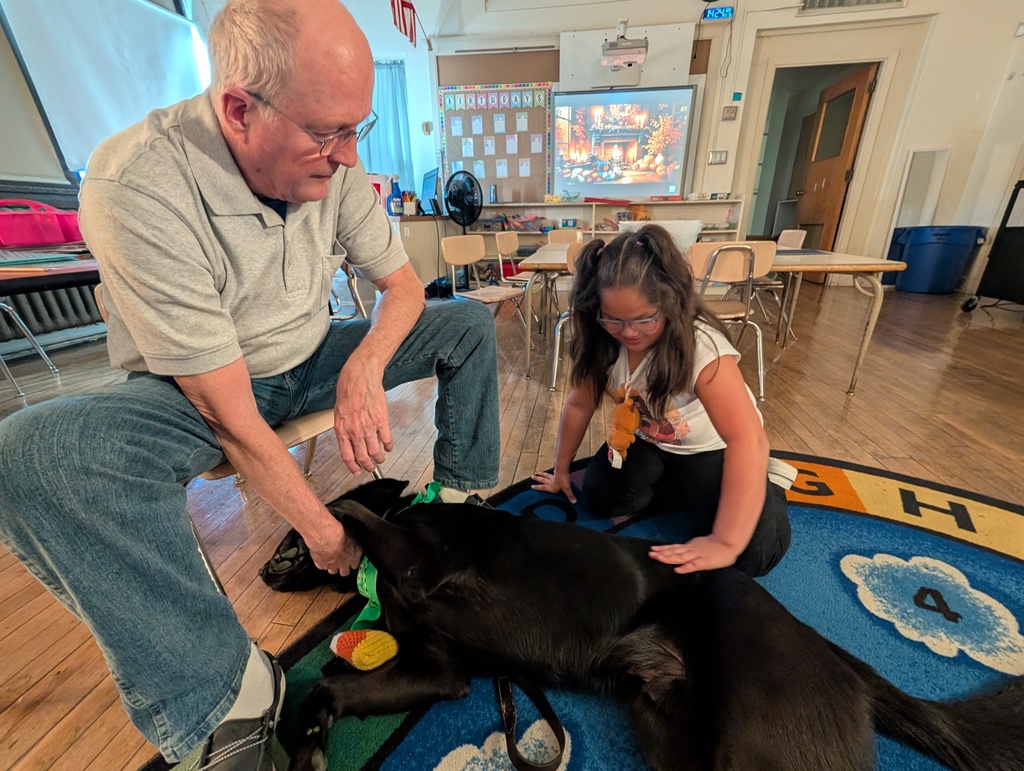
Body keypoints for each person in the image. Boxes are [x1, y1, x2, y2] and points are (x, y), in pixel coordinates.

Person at [0, 0, 499, 768]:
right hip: (197, 395)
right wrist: (328, 535)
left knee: (465, 322)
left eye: (355, 130)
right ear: (238, 109)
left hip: (310, 354)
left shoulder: (334, 159)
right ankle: (225, 693)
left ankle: (467, 517)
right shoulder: (138, 182)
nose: (346, 156)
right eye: (328, 133)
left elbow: (403, 286)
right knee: (29, 451)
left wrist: (364, 364)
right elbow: (232, 420)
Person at [532, 225, 792, 577]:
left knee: (754, 556)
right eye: (613, 319)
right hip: (652, 443)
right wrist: (560, 470)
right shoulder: (600, 342)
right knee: (600, 495)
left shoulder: (702, 346)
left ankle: (771, 482)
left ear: (670, 303)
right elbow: (579, 405)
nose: (628, 332)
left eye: (645, 319)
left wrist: (726, 541)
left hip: (712, 449)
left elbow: (747, 439)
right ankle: (680, 485)